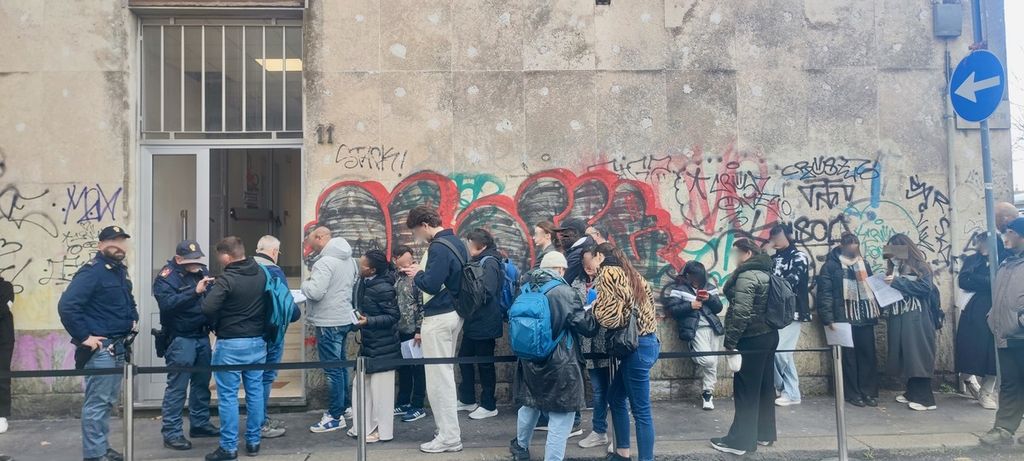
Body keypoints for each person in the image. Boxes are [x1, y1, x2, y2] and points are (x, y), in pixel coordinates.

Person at [57, 225, 138, 461]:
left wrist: (133, 317)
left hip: (119, 346)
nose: (118, 245)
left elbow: (128, 300)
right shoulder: (92, 272)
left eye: (122, 241)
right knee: (97, 403)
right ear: (100, 245)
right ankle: (94, 455)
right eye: (113, 241)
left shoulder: (119, 271)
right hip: (102, 350)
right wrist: (84, 337)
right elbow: (67, 306)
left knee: (107, 402)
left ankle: (101, 448)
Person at [509, 252, 598, 461]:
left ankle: (521, 447)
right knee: (561, 416)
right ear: (560, 269)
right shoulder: (564, 291)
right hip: (561, 362)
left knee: (530, 404)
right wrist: (593, 311)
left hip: (529, 359)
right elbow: (587, 327)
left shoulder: (525, 288)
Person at [401, 205, 467, 454]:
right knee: (445, 375)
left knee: (439, 379)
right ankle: (448, 433)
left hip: (438, 317)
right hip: (455, 313)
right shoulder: (457, 242)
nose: (416, 236)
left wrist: (417, 273)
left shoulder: (438, 247)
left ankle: (449, 437)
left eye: (416, 231)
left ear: (425, 225)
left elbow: (430, 284)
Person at [201, 237, 269, 460]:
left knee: (228, 396)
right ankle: (253, 442)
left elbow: (208, 308)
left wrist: (204, 293)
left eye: (219, 256)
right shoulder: (260, 273)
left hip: (230, 343)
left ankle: (229, 447)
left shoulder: (227, 279)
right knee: (255, 392)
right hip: (257, 342)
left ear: (226, 256)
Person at [591, 243, 660, 461]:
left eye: (592, 258)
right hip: (648, 342)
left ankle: (643, 458)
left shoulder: (608, 272)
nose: (591, 264)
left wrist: (593, 307)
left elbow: (611, 318)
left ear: (599, 256)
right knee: (615, 396)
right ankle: (622, 452)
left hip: (635, 347)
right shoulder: (633, 274)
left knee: (641, 411)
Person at [711, 239, 778, 456]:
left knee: (746, 389)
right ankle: (764, 433)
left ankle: (740, 441)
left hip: (752, 337)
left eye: (736, 253)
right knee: (765, 386)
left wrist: (730, 342)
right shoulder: (766, 271)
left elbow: (741, 313)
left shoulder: (747, 275)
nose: (734, 257)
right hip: (769, 335)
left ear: (747, 253)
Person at [152, 240, 219, 451]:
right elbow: (167, 305)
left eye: (198, 259)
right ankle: (172, 433)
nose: (196, 263)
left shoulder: (201, 272)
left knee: (201, 384)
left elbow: (209, 301)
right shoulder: (166, 277)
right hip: (180, 339)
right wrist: (194, 292)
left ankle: (199, 423)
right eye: (191, 260)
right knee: (177, 387)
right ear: (178, 259)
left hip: (201, 336)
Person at [301, 226, 359, 433]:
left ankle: (335, 416)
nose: (309, 245)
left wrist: (305, 284)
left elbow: (315, 292)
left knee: (333, 370)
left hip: (327, 321)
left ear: (319, 237)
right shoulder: (349, 260)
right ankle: (344, 407)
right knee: (341, 366)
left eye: (310, 240)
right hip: (343, 318)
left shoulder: (324, 262)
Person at [817, 233, 881, 407]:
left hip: (865, 317)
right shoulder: (830, 266)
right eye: (850, 248)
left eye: (856, 247)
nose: (854, 251)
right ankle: (852, 393)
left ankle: (868, 392)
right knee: (848, 358)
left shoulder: (864, 264)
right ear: (842, 247)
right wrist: (828, 318)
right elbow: (825, 294)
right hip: (843, 318)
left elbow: (873, 288)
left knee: (868, 356)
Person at [348, 250, 402, 443]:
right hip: (369, 344)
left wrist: (369, 321)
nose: (358, 266)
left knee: (381, 393)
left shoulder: (383, 287)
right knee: (362, 387)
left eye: (362, 264)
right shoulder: (363, 282)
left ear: (371, 270)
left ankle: (383, 431)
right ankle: (363, 426)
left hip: (383, 346)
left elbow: (393, 316)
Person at [980, 217, 1024, 445]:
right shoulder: (1007, 264)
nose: (1005, 237)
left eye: (1010, 233)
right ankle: (1003, 429)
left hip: (1020, 332)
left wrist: (1020, 320)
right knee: (1009, 384)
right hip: (1006, 334)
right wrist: (992, 317)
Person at [883, 234, 939, 411]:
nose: (891, 254)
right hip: (901, 315)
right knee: (906, 354)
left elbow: (925, 288)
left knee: (918, 354)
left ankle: (925, 398)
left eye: (894, 249)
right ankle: (912, 392)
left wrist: (897, 282)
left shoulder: (920, 265)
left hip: (916, 316)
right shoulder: (896, 267)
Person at [253, 235, 302, 437]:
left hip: (248, 333)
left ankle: (257, 421)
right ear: (274, 252)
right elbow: (287, 307)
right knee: (266, 378)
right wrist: (296, 312)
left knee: (253, 378)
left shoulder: (245, 268)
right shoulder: (274, 271)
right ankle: (261, 421)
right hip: (271, 332)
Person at [661, 261, 724, 411]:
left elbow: (719, 308)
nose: (696, 280)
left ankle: (708, 393)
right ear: (687, 275)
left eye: (698, 276)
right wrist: (690, 306)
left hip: (713, 328)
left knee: (713, 363)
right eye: (692, 276)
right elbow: (672, 310)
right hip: (696, 329)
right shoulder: (679, 290)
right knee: (708, 360)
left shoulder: (710, 287)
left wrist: (709, 298)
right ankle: (693, 353)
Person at [457, 228, 504, 420]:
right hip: (475, 321)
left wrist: (469, 300)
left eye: (470, 243)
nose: (468, 247)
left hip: (485, 321)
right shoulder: (480, 260)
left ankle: (489, 404)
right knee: (464, 359)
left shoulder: (490, 262)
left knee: (485, 364)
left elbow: (488, 291)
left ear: (481, 245)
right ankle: (467, 399)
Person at [768, 224, 810, 407]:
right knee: (783, 353)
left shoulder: (799, 257)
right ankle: (791, 392)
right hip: (775, 311)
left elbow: (791, 281)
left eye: (778, 237)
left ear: (788, 236)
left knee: (780, 353)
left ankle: (784, 389)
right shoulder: (771, 259)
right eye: (773, 237)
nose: (775, 241)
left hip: (794, 311)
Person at [955, 232, 998, 410]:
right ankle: (969, 379)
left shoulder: (1002, 259)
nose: (980, 245)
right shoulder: (973, 260)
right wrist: (988, 281)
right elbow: (963, 281)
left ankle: (986, 392)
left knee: (994, 355)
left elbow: (1000, 283)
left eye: (984, 242)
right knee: (971, 350)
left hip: (996, 309)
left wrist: (978, 280)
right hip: (974, 310)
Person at [576, 244, 611, 448]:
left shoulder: (607, 281)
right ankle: (598, 430)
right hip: (585, 343)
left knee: (609, 391)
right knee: (598, 389)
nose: (588, 266)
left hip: (605, 342)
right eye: (584, 262)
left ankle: (610, 434)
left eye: (591, 261)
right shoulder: (576, 283)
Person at [392, 245, 427, 423]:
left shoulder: (417, 277)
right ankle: (404, 401)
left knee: (418, 369)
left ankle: (418, 405)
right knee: (404, 368)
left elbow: (422, 305)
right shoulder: (396, 277)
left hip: (415, 332)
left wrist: (419, 330)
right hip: (401, 330)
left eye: (409, 261)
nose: (407, 265)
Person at [556, 217, 595, 285]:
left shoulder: (578, 254)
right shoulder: (580, 249)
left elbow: (564, 281)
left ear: (575, 233)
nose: (561, 238)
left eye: (564, 234)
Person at [0, 277, 13, 436]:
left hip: (3, 340)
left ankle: (1, 415)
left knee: (2, 377)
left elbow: (3, 309)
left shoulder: (6, 287)